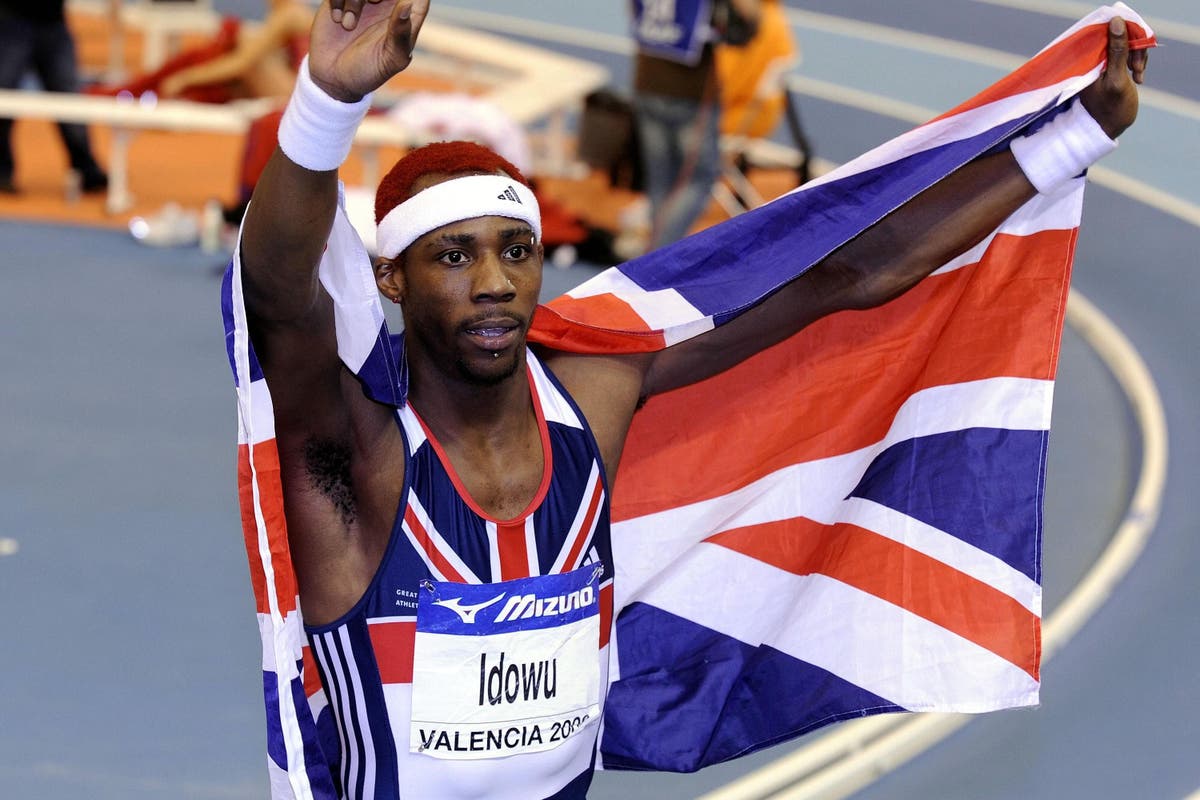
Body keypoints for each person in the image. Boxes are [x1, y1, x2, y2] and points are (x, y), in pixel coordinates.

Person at [233, 1, 1147, 797]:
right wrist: (327, 101)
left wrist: (1074, 138)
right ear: (391, 279)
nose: (495, 282)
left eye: (516, 250)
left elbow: (842, 274)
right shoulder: (360, 454)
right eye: (453, 255)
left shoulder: (593, 396)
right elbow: (278, 296)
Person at [630, 0, 762, 249]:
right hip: (690, 94)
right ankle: (658, 251)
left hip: (647, 83)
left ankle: (656, 250)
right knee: (700, 178)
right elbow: (745, 25)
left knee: (661, 180)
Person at [0, 0, 108, 194]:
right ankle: (1, 171)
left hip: (53, 22)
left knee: (69, 101)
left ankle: (86, 169)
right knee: (4, 98)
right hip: (11, 21)